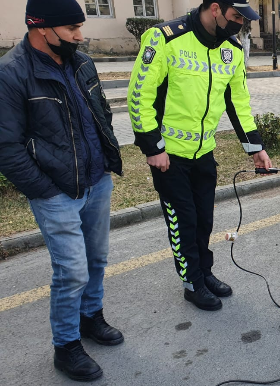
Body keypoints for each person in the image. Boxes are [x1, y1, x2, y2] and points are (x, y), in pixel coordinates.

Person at [0, 0, 124, 381]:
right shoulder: (11, 74)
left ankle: (91, 318)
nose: (79, 35)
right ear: (41, 29)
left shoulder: (81, 62)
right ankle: (66, 346)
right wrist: (44, 191)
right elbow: (6, 146)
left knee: (97, 259)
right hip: (55, 192)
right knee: (71, 271)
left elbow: (101, 113)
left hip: (96, 180)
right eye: (71, 29)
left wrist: (106, 161)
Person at [128, 0, 272, 312]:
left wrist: (255, 147)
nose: (239, 25)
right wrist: (153, 147)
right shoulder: (165, 38)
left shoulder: (230, 50)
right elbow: (140, 94)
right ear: (216, 9)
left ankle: (205, 272)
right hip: (169, 156)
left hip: (204, 152)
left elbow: (238, 103)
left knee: (204, 220)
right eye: (235, 17)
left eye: (243, 20)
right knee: (184, 221)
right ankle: (192, 282)